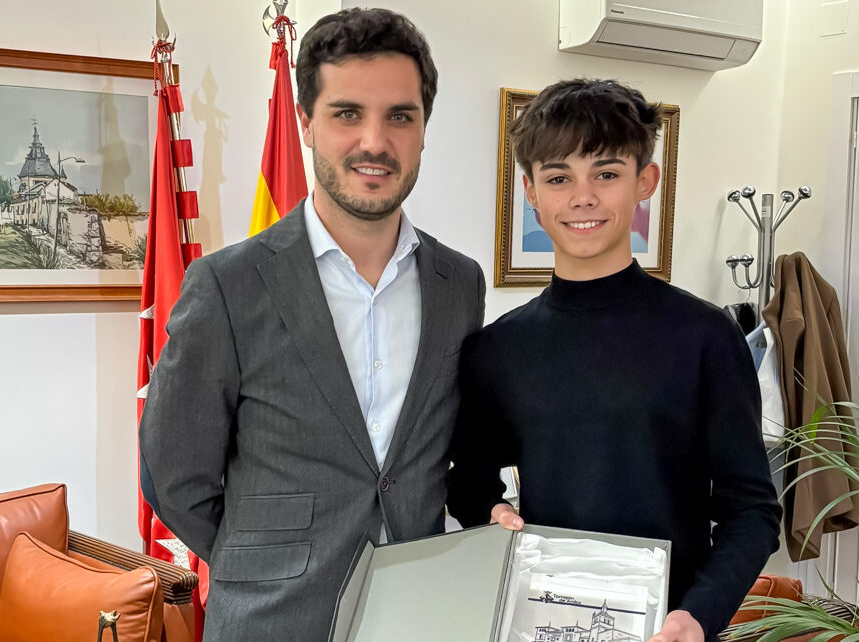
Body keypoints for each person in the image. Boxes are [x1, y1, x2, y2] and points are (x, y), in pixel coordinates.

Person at [139, 9, 485, 641]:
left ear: (423, 129)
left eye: (400, 116)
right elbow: (174, 476)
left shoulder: (459, 285)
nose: (374, 142)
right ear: (305, 122)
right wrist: (261, 561)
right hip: (271, 621)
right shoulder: (228, 285)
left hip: (419, 617)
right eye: (347, 113)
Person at [446, 79, 780, 642]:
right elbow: (469, 485)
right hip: (545, 624)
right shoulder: (499, 348)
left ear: (645, 181)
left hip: (670, 630)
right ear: (531, 192)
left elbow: (752, 511)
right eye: (559, 178)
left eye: (605, 174)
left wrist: (698, 615)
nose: (583, 197)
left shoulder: (705, 337)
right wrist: (492, 514)